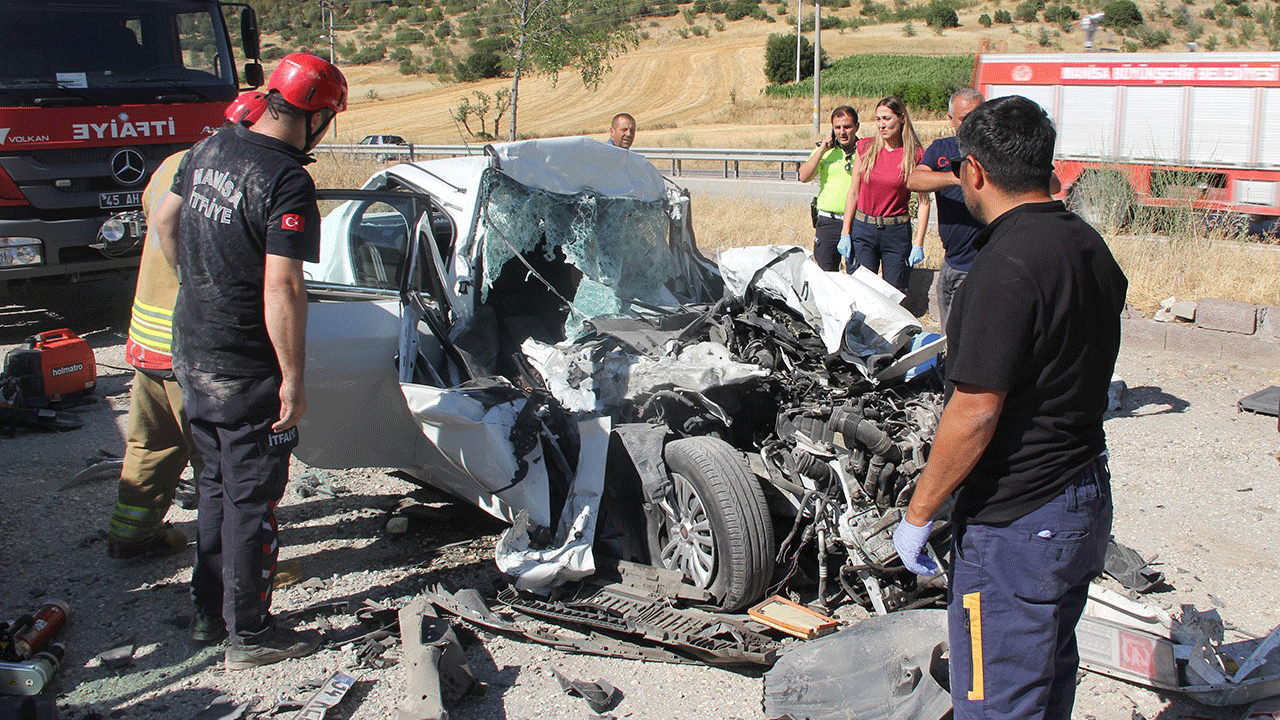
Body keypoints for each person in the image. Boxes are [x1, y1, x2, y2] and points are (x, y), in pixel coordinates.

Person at [891, 95, 1128, 720]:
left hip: (1016, 522)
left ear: (973, 171)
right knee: (1047, 680)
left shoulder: (1002, 267)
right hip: (1081, 498)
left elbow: (974, 411)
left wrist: (920, 514)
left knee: (993, 698)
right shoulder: (1089, 247)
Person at [154, 53, 346, 670]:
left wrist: (200, 282)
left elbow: (164, 219)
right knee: (252, 500)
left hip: (194, 350)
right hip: (244, 365)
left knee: (214, 487)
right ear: (315, 117)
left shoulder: (209, 148)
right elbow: (283, 288)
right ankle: (251, 636)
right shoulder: (287, 180)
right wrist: (292, 376)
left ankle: (209, 616)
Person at [107, 92, 269, 560]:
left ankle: (131, 535)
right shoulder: (247, 174)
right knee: (220, 463)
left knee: (151, 444)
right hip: (193, 345)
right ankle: (234, 566)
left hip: (148, 339)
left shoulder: (177, 163)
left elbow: (155, 218)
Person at [906, 88, 985, 331]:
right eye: (964, 119)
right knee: (948, 335)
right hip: (950, 262)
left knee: (969, 338)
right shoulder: (942, 149)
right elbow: (914, 181)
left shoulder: (995, 151)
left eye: (978, 116)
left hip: (979, 265)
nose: (972, 124)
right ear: (951, 120)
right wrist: (956, 177)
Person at [838, 96, 930, 294]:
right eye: (878, 119)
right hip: (864, 229)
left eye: (887, 119)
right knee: (861, 292)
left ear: (902, 118)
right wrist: (845, 232)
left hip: (896, 233)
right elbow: (853, 192)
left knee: (893, 294)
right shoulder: (866, 148)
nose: (882, 125)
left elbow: (924, 203)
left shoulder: (914, 154)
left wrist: (918, 243)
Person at [798, 106, 859, 272]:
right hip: (827, 222)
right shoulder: (825, 151)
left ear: (856, 127)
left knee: (856, 276)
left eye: (847, 126)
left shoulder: (864, 151)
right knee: (825, 276)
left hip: (856, 222)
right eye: (837, 127)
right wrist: (822, 148)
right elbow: (803, 176)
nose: (842, 132)